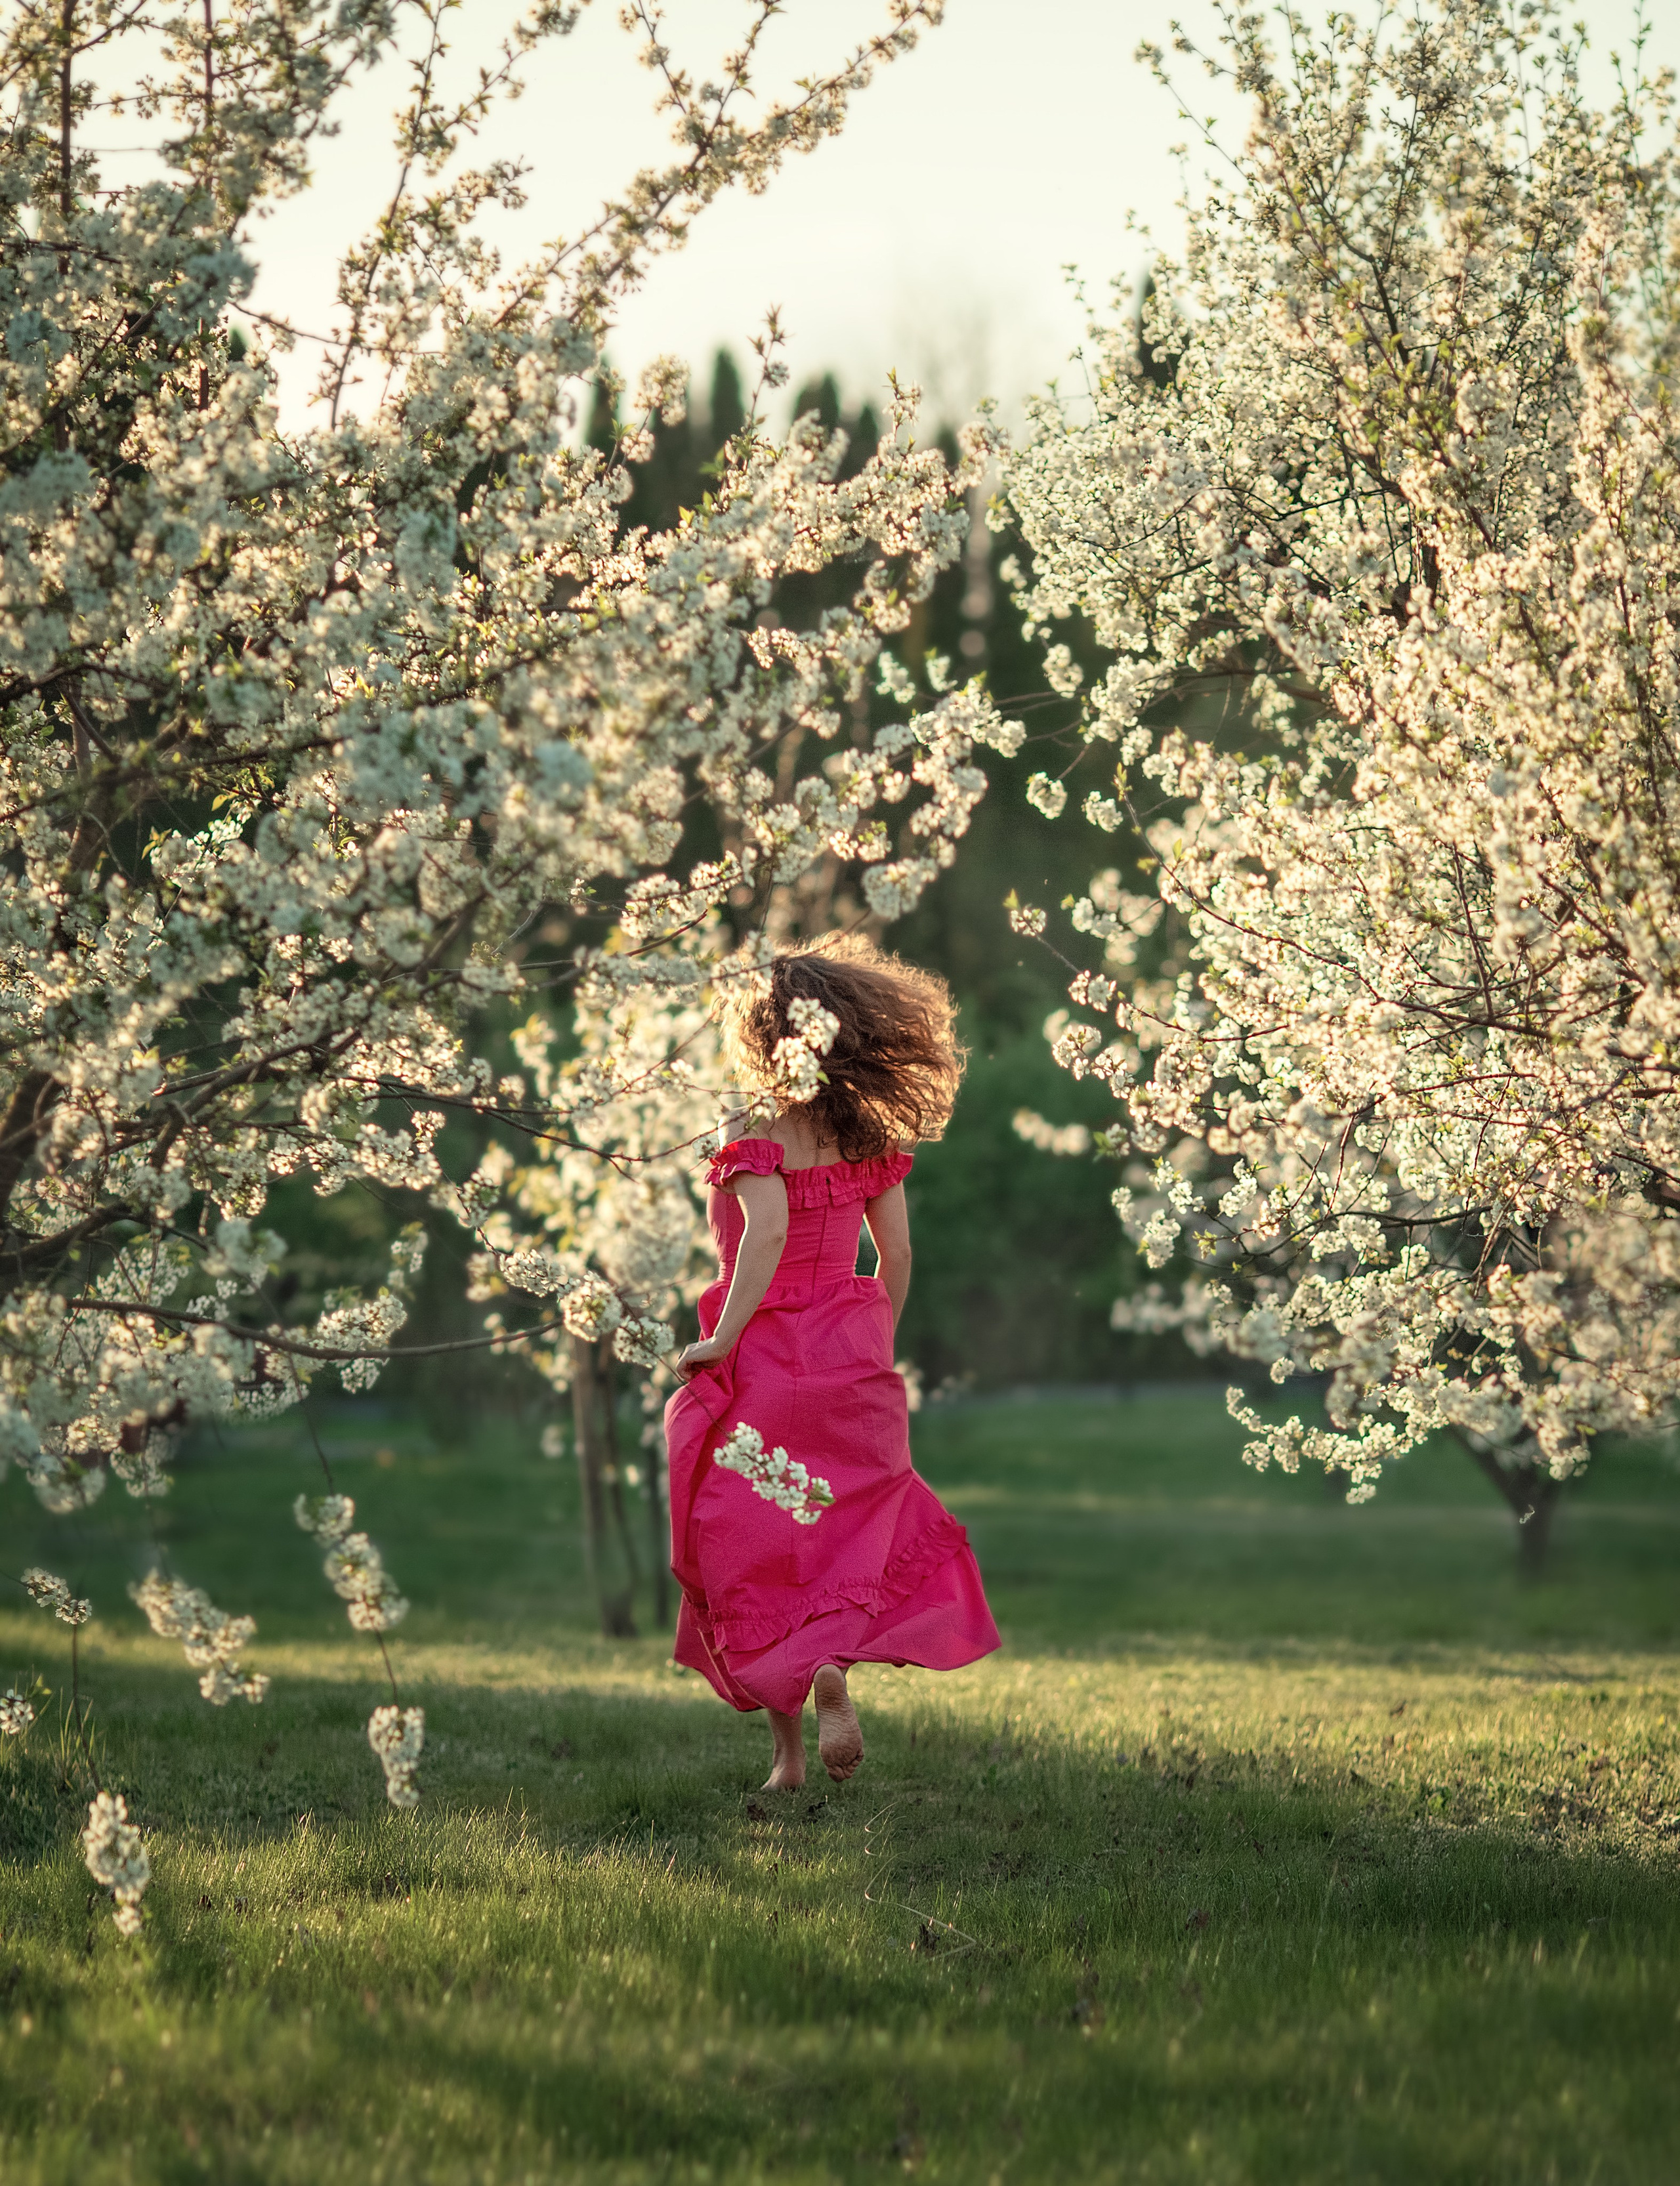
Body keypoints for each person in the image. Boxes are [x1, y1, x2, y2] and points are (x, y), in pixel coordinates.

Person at [666, 938, 1000, 1790]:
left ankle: (789, 1748)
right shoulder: (867, 1134)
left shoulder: (752, 1129)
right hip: (852, 1357)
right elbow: (898, 1253)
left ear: (762, 1032)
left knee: (759, 1539)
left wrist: (724, 1339)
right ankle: (819, 1691)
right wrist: (875, 1336)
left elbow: (767, 1237)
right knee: (843, 1529)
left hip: (767, 1362)